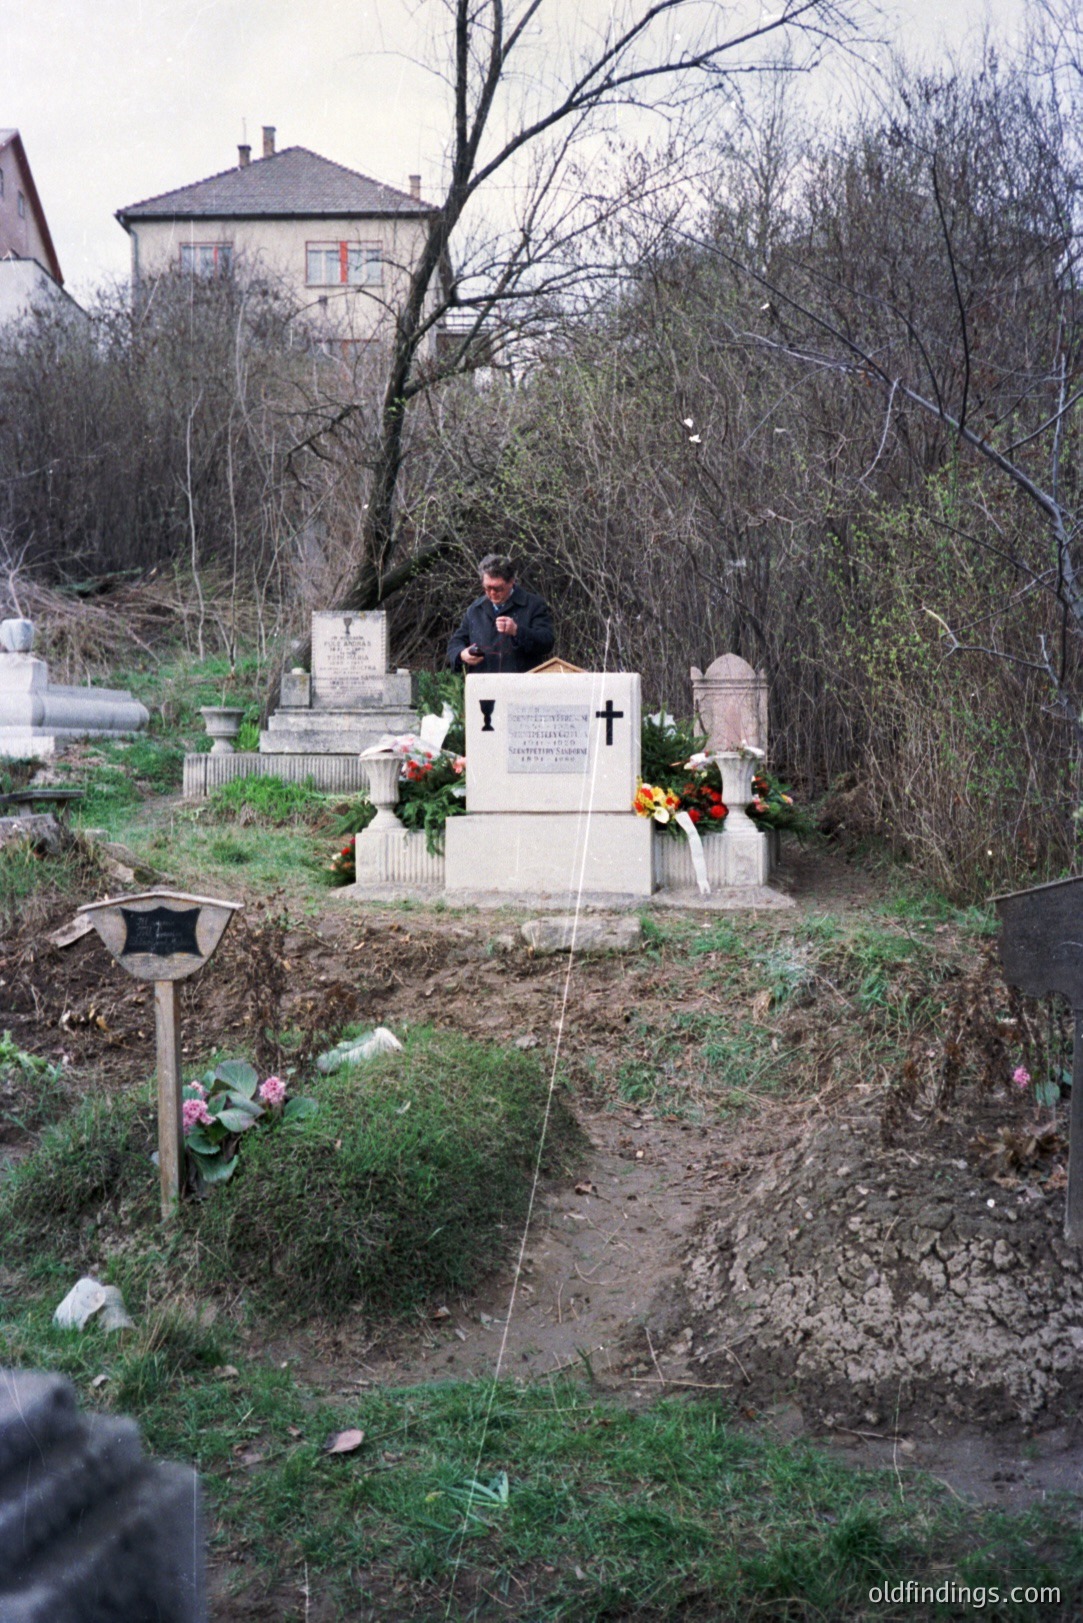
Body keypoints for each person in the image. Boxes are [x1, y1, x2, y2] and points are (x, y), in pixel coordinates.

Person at [446, 554, 554, 674]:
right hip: (483, 686)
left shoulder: (533, 605)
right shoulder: (476, 609)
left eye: (498, 589)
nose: (492, 593)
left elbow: (547, 642)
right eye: (487, 588)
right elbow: (455, 643)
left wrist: (517, 631)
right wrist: (462, 654)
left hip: (521, 686)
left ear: (511, 582)